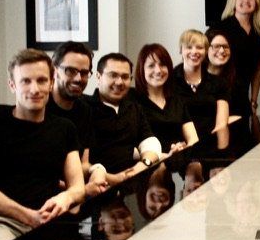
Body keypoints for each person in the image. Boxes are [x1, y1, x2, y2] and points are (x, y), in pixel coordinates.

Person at [0, 49, 85, 240]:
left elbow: (78, 187)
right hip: (1, 221)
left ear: (51, 83)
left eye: (41, 80)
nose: (35, 89)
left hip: (49, 219)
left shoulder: (65, 128)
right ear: (12, 85)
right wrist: (29, 217)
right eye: (26, 81)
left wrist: (66, 198)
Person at [87, 53, 162, 184]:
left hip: (129, 185)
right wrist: (111, 178)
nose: (119, 82)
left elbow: (151, 143)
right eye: (113, 75)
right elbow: (79, 163)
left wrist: (141, 166)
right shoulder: (84, 108)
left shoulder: (133, 108)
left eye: (125, 77)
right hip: (95, 186)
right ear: (98, 77)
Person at [48, 41, 108, 194]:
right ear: (54, 70)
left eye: (84, 72)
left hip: (73, 195)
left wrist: (97, 171)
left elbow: (83, 163)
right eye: (70, 71)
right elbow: (38, 175)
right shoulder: (39, 107)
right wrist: (80, 190)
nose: (78, 78)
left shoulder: (84, 109)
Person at [134, 43, 198, 157]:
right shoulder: (132, 99)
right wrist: (161, 156)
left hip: (177, 159)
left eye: (163, 64)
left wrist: (182, 150)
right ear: (141, 69)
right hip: (147, 161)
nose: (158, 70)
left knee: (195, 168)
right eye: (151, 66)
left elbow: (193, 139)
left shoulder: (177, 100)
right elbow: (127, 146)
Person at [213, 0, 260, 115]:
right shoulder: (221, 28)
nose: (246, 1)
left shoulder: (259, 33)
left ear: (257, 3)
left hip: (243, 100)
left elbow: (257, 71)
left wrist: (253, 101)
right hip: (220, 99)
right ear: (234, 1)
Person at [172, 29, 230, 137]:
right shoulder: (169, 81)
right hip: (179, 147)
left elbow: (221, 125)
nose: (194, 52)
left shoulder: (219, 83)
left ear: (206, 51)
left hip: (210, 147)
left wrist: (222, 151)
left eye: (199, 47)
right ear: (181, 50)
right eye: (189, 47)